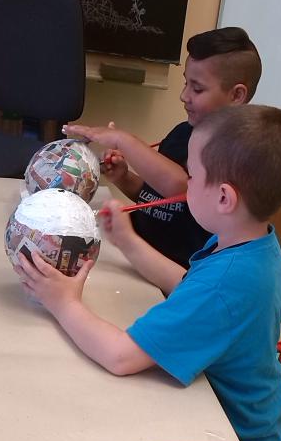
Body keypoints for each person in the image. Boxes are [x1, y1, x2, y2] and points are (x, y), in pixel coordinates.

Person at [17, 105, 281, 441]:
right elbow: (188, 283)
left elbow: (120, 357)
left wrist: (63, 302)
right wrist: (128, 242)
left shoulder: (227, 282)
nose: (185, 183)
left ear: (224, 198)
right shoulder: (249, 242)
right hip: (241, 416)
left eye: (192, 176)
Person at [63, 26, 262, 268]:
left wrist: (123, 139)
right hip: (135, 247)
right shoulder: (183, 132)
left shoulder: (236, 151)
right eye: (186, 83)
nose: (184, 95)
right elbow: (161, 200)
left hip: (170, 269)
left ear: (236, 95)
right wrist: (124, 178)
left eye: (197, 88)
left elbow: (182, 187)